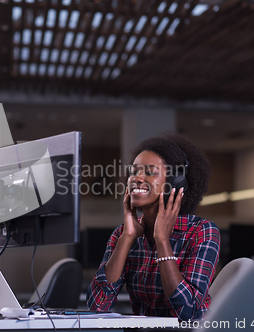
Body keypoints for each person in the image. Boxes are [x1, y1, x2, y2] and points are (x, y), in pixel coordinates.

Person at [86, 132, 220, 321]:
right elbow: (97, 306)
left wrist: (162, 240)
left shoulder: (202, 232)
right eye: (133, 172)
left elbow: (188, 312)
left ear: (176, 183)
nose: (137, 178)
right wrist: (127, 238)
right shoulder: (123, 234)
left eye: (149, 172)